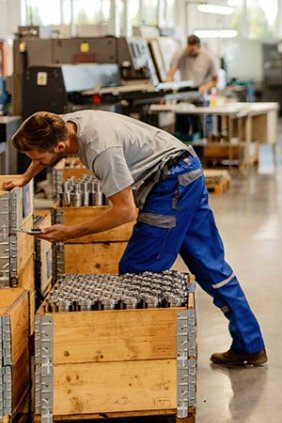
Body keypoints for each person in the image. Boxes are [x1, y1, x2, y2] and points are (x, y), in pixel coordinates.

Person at [5, 110, 268, 367]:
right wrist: (25, 178)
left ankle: (146, 365)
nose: (34, 160)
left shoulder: (100, 150)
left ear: (61, 146)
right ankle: (251, 345)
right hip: (187, 170)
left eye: (36, 157)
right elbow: (44, 153)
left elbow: (125, 211)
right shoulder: (66, 123)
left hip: (172, 184)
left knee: (138, 270)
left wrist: (72, 232)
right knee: (209, 264)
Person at [166, 35, 219, 142]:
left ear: (199, 47)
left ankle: (199, 156)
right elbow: (171, 72)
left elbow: (215, 80)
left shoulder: (207, 57)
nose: (190, 53)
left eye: (193, 50)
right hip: (183, 93)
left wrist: (204, 87)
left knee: (198, 131)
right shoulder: (180, 53)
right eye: (188, 50)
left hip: (199, 94)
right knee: (180, 130)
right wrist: (167, 86)